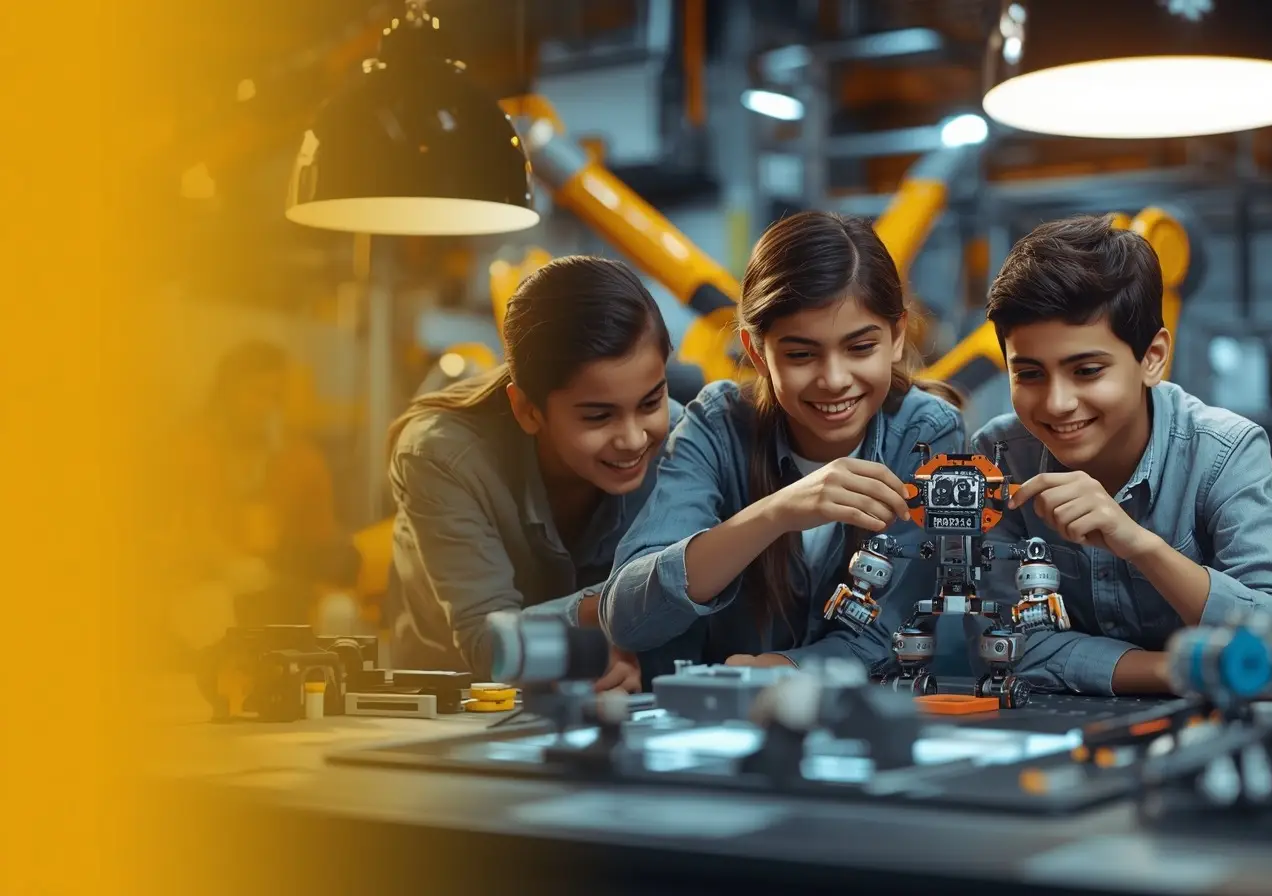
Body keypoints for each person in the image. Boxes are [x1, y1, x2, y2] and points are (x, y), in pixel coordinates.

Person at [600, 211, 966, 676]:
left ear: (896, 337)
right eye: (800, 355)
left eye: (860, 348)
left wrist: (778, 668)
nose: (834, 380)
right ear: (756, 352)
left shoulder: (926, 433)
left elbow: (898, 631)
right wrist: (776, 512)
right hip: (723, 723)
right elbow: (627, 618)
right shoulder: (717, 425)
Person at [972, 215, 1272, 696]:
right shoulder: (1000, 455)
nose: (1057, 402)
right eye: (1029, 374)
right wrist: (1184, 670)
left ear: (1152, 357)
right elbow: (1007, 643)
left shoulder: (1224, 451)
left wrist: (1139, 545)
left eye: (1087, 370)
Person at [388, 256, 682, 689]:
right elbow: (488, 643)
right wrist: (628, 603)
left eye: (650, 402)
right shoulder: (441, 456)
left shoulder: (679, 439)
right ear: (527, 409)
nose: (634, 439)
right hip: (452, 704)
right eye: (599, 417)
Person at [167, 340, 357, 658]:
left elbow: (319, 541)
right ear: (226, 396)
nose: (267, 407)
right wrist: (228, 565)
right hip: (207, 584)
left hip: (285, 587)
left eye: (277, 397)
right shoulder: (192, 450)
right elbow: (185, 532)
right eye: (257, 393)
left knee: (341, 610)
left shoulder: (302, 460)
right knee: (209, 607)